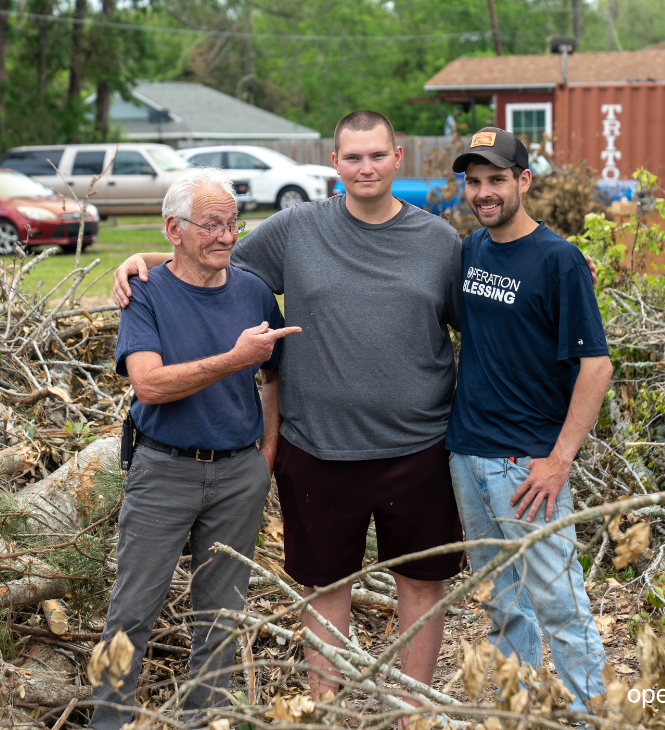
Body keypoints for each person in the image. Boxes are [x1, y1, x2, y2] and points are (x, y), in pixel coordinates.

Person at [110, 112, 600, 702]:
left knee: (422, 583)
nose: (365, 168)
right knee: (323, 586)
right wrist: (141, 260)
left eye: (376, 155)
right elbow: (211, 251)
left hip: (420, 447)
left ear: (397, 157)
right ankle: (327, 709)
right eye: (352, 157)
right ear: (335, 163)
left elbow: (502, 301)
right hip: (317, 446)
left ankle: (411, 711)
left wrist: (565, 270)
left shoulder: (440, 242)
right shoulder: (295, 229)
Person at [91, 167, 300, 730]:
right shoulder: (145, 292)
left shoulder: (253, 291)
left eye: (233, 223)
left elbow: (275, 375)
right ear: (173, 230)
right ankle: (108, 720)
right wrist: (234, 359)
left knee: (221, 618)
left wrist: (266, 455)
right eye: (211, 225)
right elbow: (149, 385)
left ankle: (205, 721)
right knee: (130, 612)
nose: (226, 236)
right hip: (163, 469)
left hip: (239, 474)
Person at [445, 127, 612, 714]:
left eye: (496, 179)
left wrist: (559, 460)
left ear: (524, 181)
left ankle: (591, 717)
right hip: (468, 455)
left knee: (561, 606)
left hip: (527, 466)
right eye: (474, 182)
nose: (483, 192)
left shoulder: (559, 260)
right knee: (502, 604)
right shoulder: (470, 250)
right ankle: (516, 713)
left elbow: (597, 367)